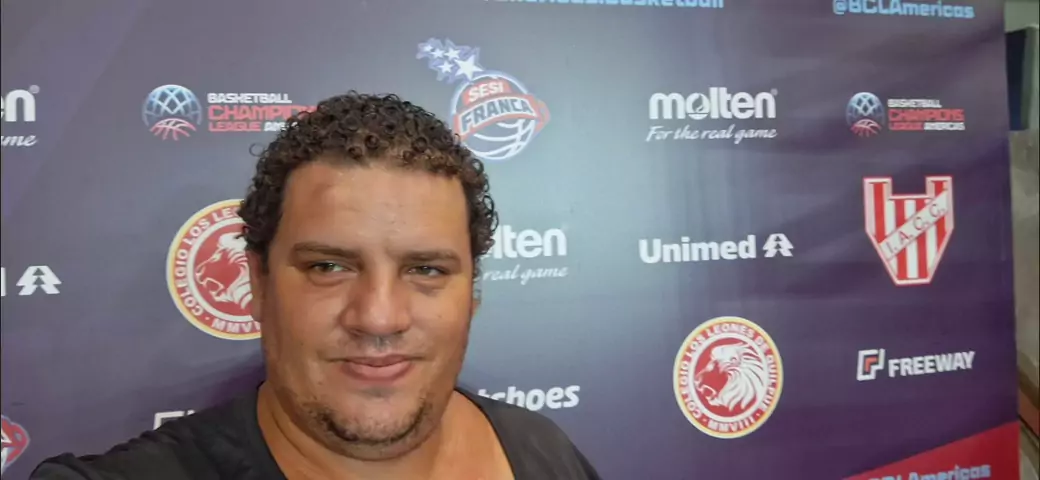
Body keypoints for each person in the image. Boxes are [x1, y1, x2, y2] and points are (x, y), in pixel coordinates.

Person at [31, 92, 601, 479]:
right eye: (329, 267)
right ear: (258, 284)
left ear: (472, 294)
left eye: (426, 270)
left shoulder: (540, 450)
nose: (378, 317)